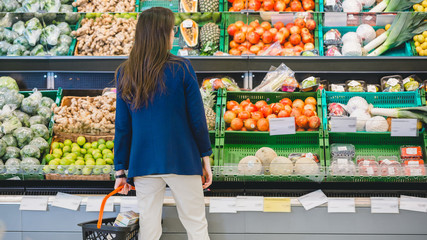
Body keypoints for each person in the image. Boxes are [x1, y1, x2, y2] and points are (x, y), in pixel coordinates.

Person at [113, 7, 212, 240]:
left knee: (149, 229)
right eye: (172, 30)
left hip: (144, 163)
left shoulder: (126, 72)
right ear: (162, 34)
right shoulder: (182, 67)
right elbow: (197, 119)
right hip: (182, 159)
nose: (174, 34)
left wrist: (120, 170)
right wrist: (205, 157)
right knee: (196, 224)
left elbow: (122, 127)